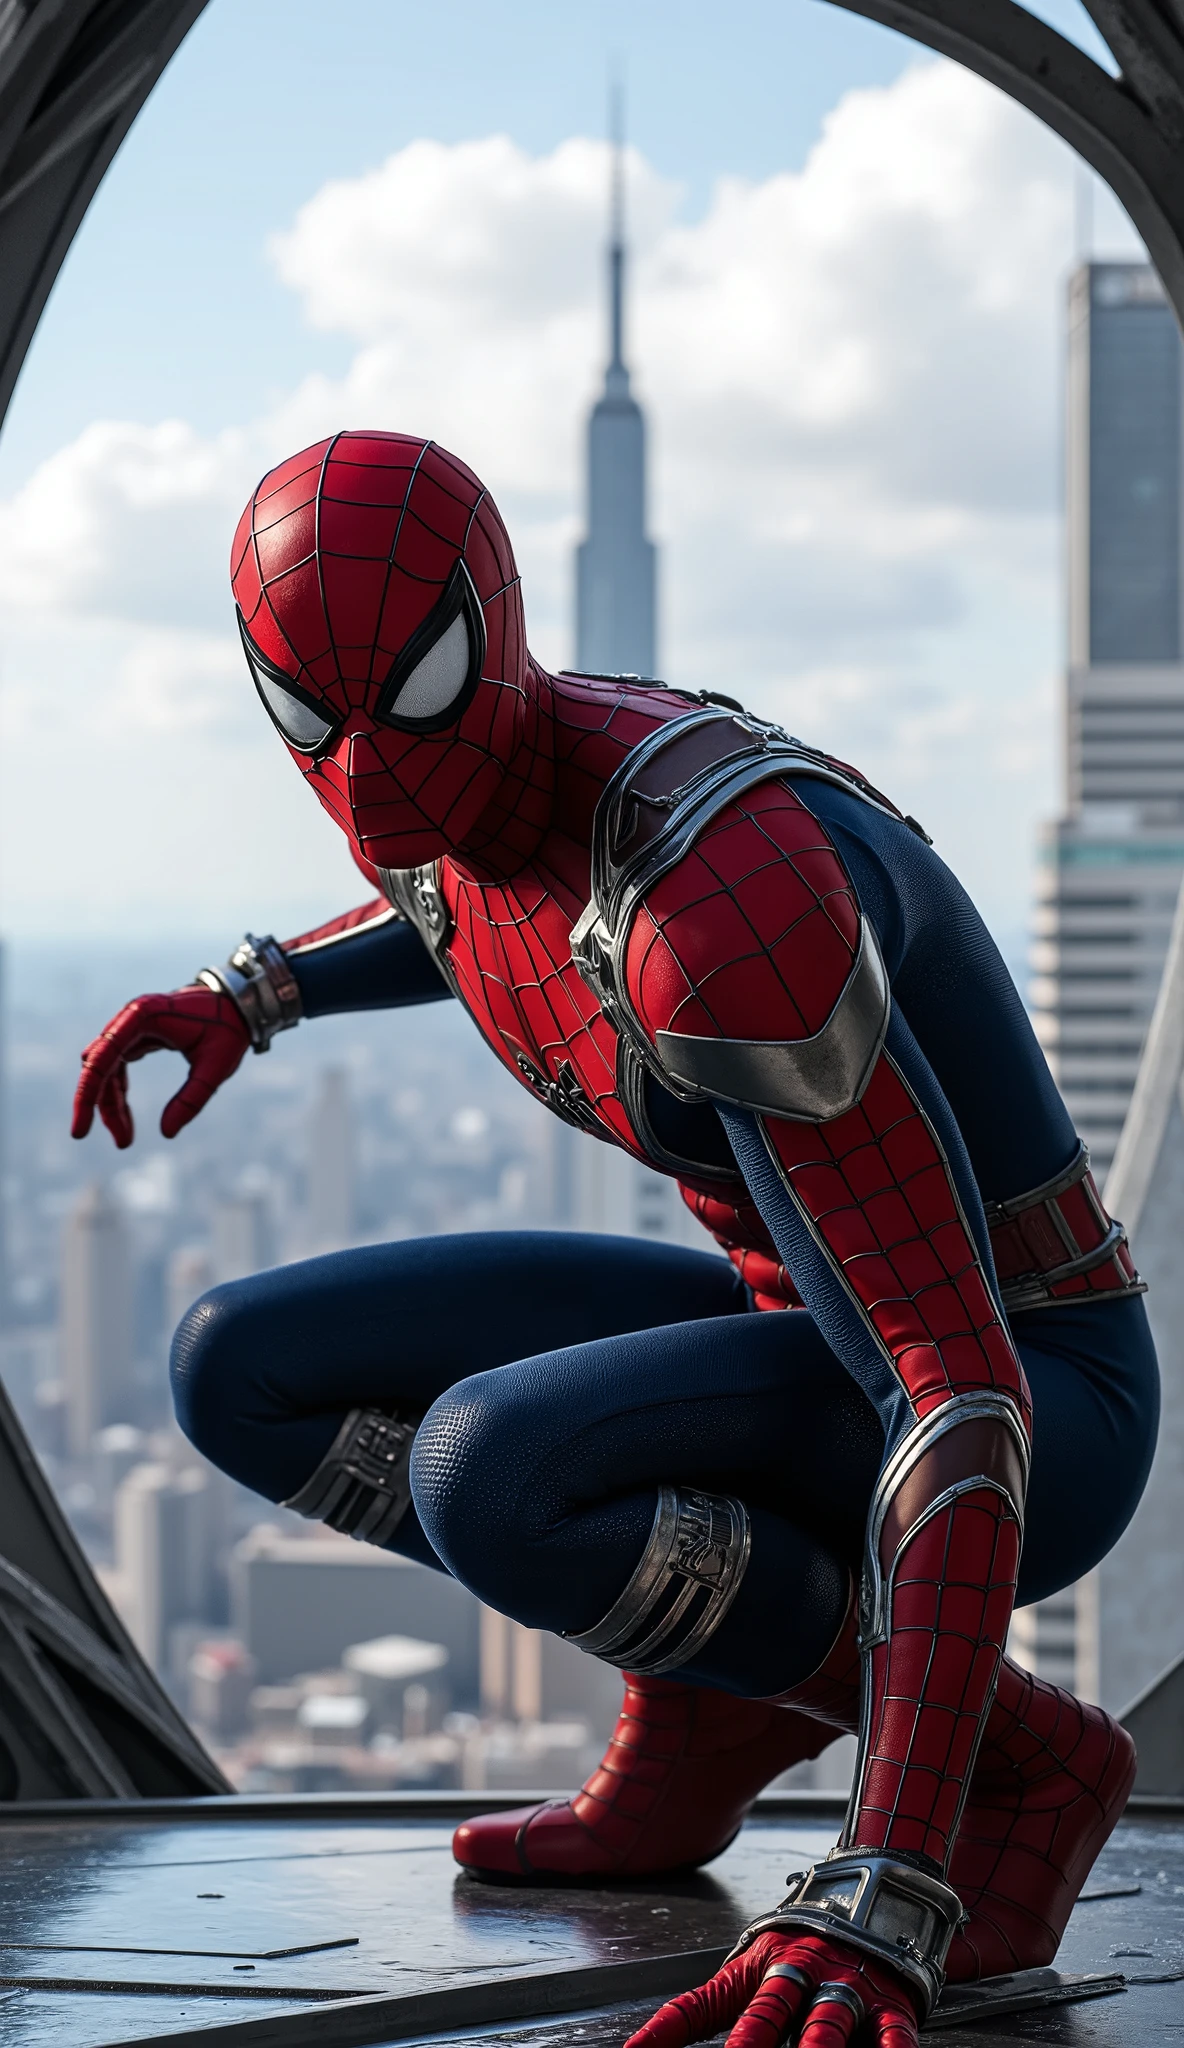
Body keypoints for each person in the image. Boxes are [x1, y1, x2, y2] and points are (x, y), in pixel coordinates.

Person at [74, 432, 1156, 2048]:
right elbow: (454, 896)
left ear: (494, 634)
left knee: (487, 1466)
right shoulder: (466, 776)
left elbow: (958, 1388)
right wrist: (258, 992)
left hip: (1034, 1407)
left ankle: (1024, 1753)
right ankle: (723, 1696)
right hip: (804, 1336)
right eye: (316, 717)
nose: (369, 775)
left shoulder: (719, 906)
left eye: (417, 690)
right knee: (240, 1367)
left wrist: (893, 1883)